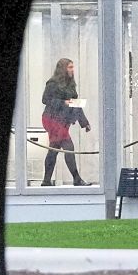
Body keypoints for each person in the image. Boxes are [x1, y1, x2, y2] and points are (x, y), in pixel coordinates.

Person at [41, 57, 92, 187]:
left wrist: (84, 122)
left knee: (54, 149)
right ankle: (76, 179)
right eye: (70, 67)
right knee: (68, 147)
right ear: (63, 69)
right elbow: (45, 99)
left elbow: (75, 104)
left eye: (72, 67)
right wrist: (63, 102)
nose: (72, 70)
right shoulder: (52, 83)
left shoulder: (70, 84)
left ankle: (46, 181)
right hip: (52, 119)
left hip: (62, 120)